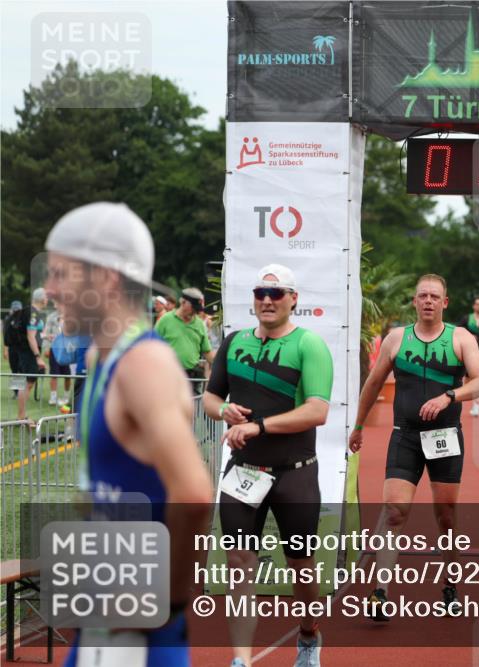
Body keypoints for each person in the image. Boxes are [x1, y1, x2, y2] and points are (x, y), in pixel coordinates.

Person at [44, 201, 213, 666]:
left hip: (139, 638)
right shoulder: (103, 359)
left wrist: (168, 604)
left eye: (61, 274)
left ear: (106, 279)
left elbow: (195, 495)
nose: (49, 288)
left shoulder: (143, 364)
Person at [203, 264, 333, 667]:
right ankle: (241, 658)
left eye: (277, 294)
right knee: (240, 564)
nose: (267, 300)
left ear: (294, 299)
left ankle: (309, 636)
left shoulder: (309, 345)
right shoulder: (234, 342)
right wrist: (224, 409)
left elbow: (317, 411)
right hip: (243, 473)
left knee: (301, 567)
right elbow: (210, 398)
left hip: (295, 473)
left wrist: (258, 426)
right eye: (261, 292)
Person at [349, 274, 479, 621]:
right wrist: (358, 424)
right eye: (422, 296)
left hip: (444, 437)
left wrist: (449, 396)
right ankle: (380, 592)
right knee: (394, 511)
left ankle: (450, 585)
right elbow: (373, 382)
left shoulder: (461, 338)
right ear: (414, 302)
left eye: (434, 296)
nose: (428, 301)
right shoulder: (397, 339)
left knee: (445, 517)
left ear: (445, 303)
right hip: (406, 436)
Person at [155, 287, 214, 393]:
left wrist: (222, 366)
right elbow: (152, 346)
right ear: (183, 302)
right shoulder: (165, 320)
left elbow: (207, 352)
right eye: (193, 308)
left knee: (191, 408)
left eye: (197, 309)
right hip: (168, 375)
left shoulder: (199, 324)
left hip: (191, 378)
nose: (195, 312)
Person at [6, 288, 48, 422]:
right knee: (28, 383)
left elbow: (33, 333)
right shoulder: (33, 313)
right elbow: (30, 337)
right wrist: (38, 357)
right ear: (42, 299)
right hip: (28, 353)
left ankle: (21, 416)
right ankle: (21, 416)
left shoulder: (29, 311)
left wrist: (47, 336)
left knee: (26, 383)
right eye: (46, 297)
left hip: (23, 351)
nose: (47, 300)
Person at [43, 303, 73, 406]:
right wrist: (46, 347)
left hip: (67, 351)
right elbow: (46, 333)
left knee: (67, 375)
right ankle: (53, 397)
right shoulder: (51, 317)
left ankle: (66, 397)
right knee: (54, 374)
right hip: (54, 349)